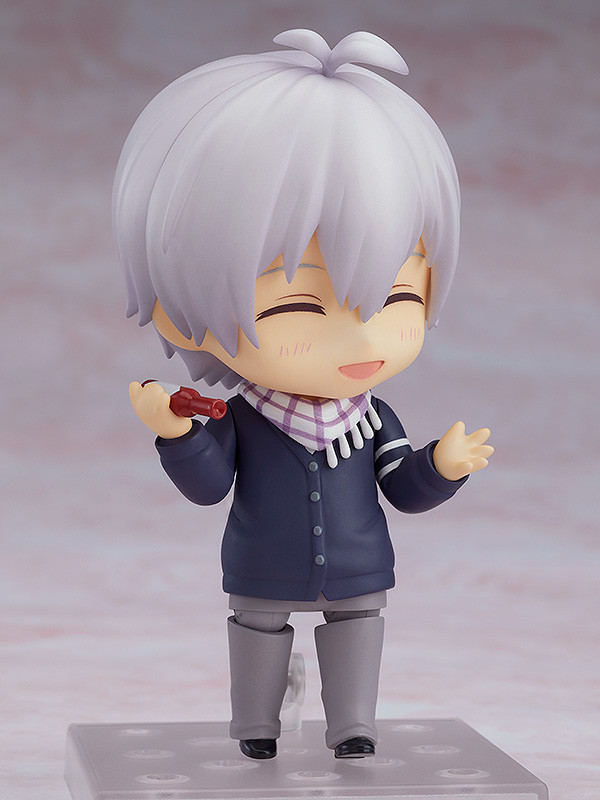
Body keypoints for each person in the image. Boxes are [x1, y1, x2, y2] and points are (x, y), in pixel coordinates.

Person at [114, 29, 493, 760]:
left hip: (358, 568)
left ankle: (353, 724)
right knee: (258, 630)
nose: (361, 337)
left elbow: (401, 487)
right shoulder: (241, 418)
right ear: (179, 304)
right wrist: (177, 433)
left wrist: (441, 467)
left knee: (358, 627)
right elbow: (209, 486)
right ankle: (255, 725)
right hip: (261, 564)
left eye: (398, 296)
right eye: (297, 306)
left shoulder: (373, 417)